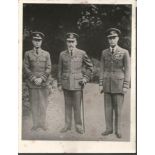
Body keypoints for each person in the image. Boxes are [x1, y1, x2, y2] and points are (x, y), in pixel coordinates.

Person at [58, 32, 93, 134]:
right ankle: (67, 125)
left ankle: (78, 126)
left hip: (78, 84)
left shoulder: (81, 53)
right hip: (66, 83)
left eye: (72, 41)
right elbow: (60, 70)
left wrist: (85, 78)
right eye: (69, 41)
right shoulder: (62, 54)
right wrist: (59, 83)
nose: (71, 44)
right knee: (67, 106)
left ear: (76, 42)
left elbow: (90, 67)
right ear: (66, 42)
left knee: (77, 106)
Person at [99, 28, 130, 138]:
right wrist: (101, 83)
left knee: (118, 109)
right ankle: (108, 129)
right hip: (107, 84)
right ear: (108, 40)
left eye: (114, 38)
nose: (112, 40)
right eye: (110, 38)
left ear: (118, 38)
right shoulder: (104, 52)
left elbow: (127, 70)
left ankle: (118, 130)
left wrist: (126, 85)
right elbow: (101, 68)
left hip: (119, 84)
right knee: (107, 109)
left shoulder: (124, 52)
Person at [24, 31, 51, 131]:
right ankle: (35, 124)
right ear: (32, 41)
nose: (37, 42)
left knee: (43, 104)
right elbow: (26, 68)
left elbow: (48, 68)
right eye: (35, 40)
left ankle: (42, 124)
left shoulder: (46, 54)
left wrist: (42, 78)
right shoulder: (27, 54)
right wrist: (34, 78)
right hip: (33, 84)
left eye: (39, 40)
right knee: (34, 104)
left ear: (41, 42)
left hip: (43, 83)